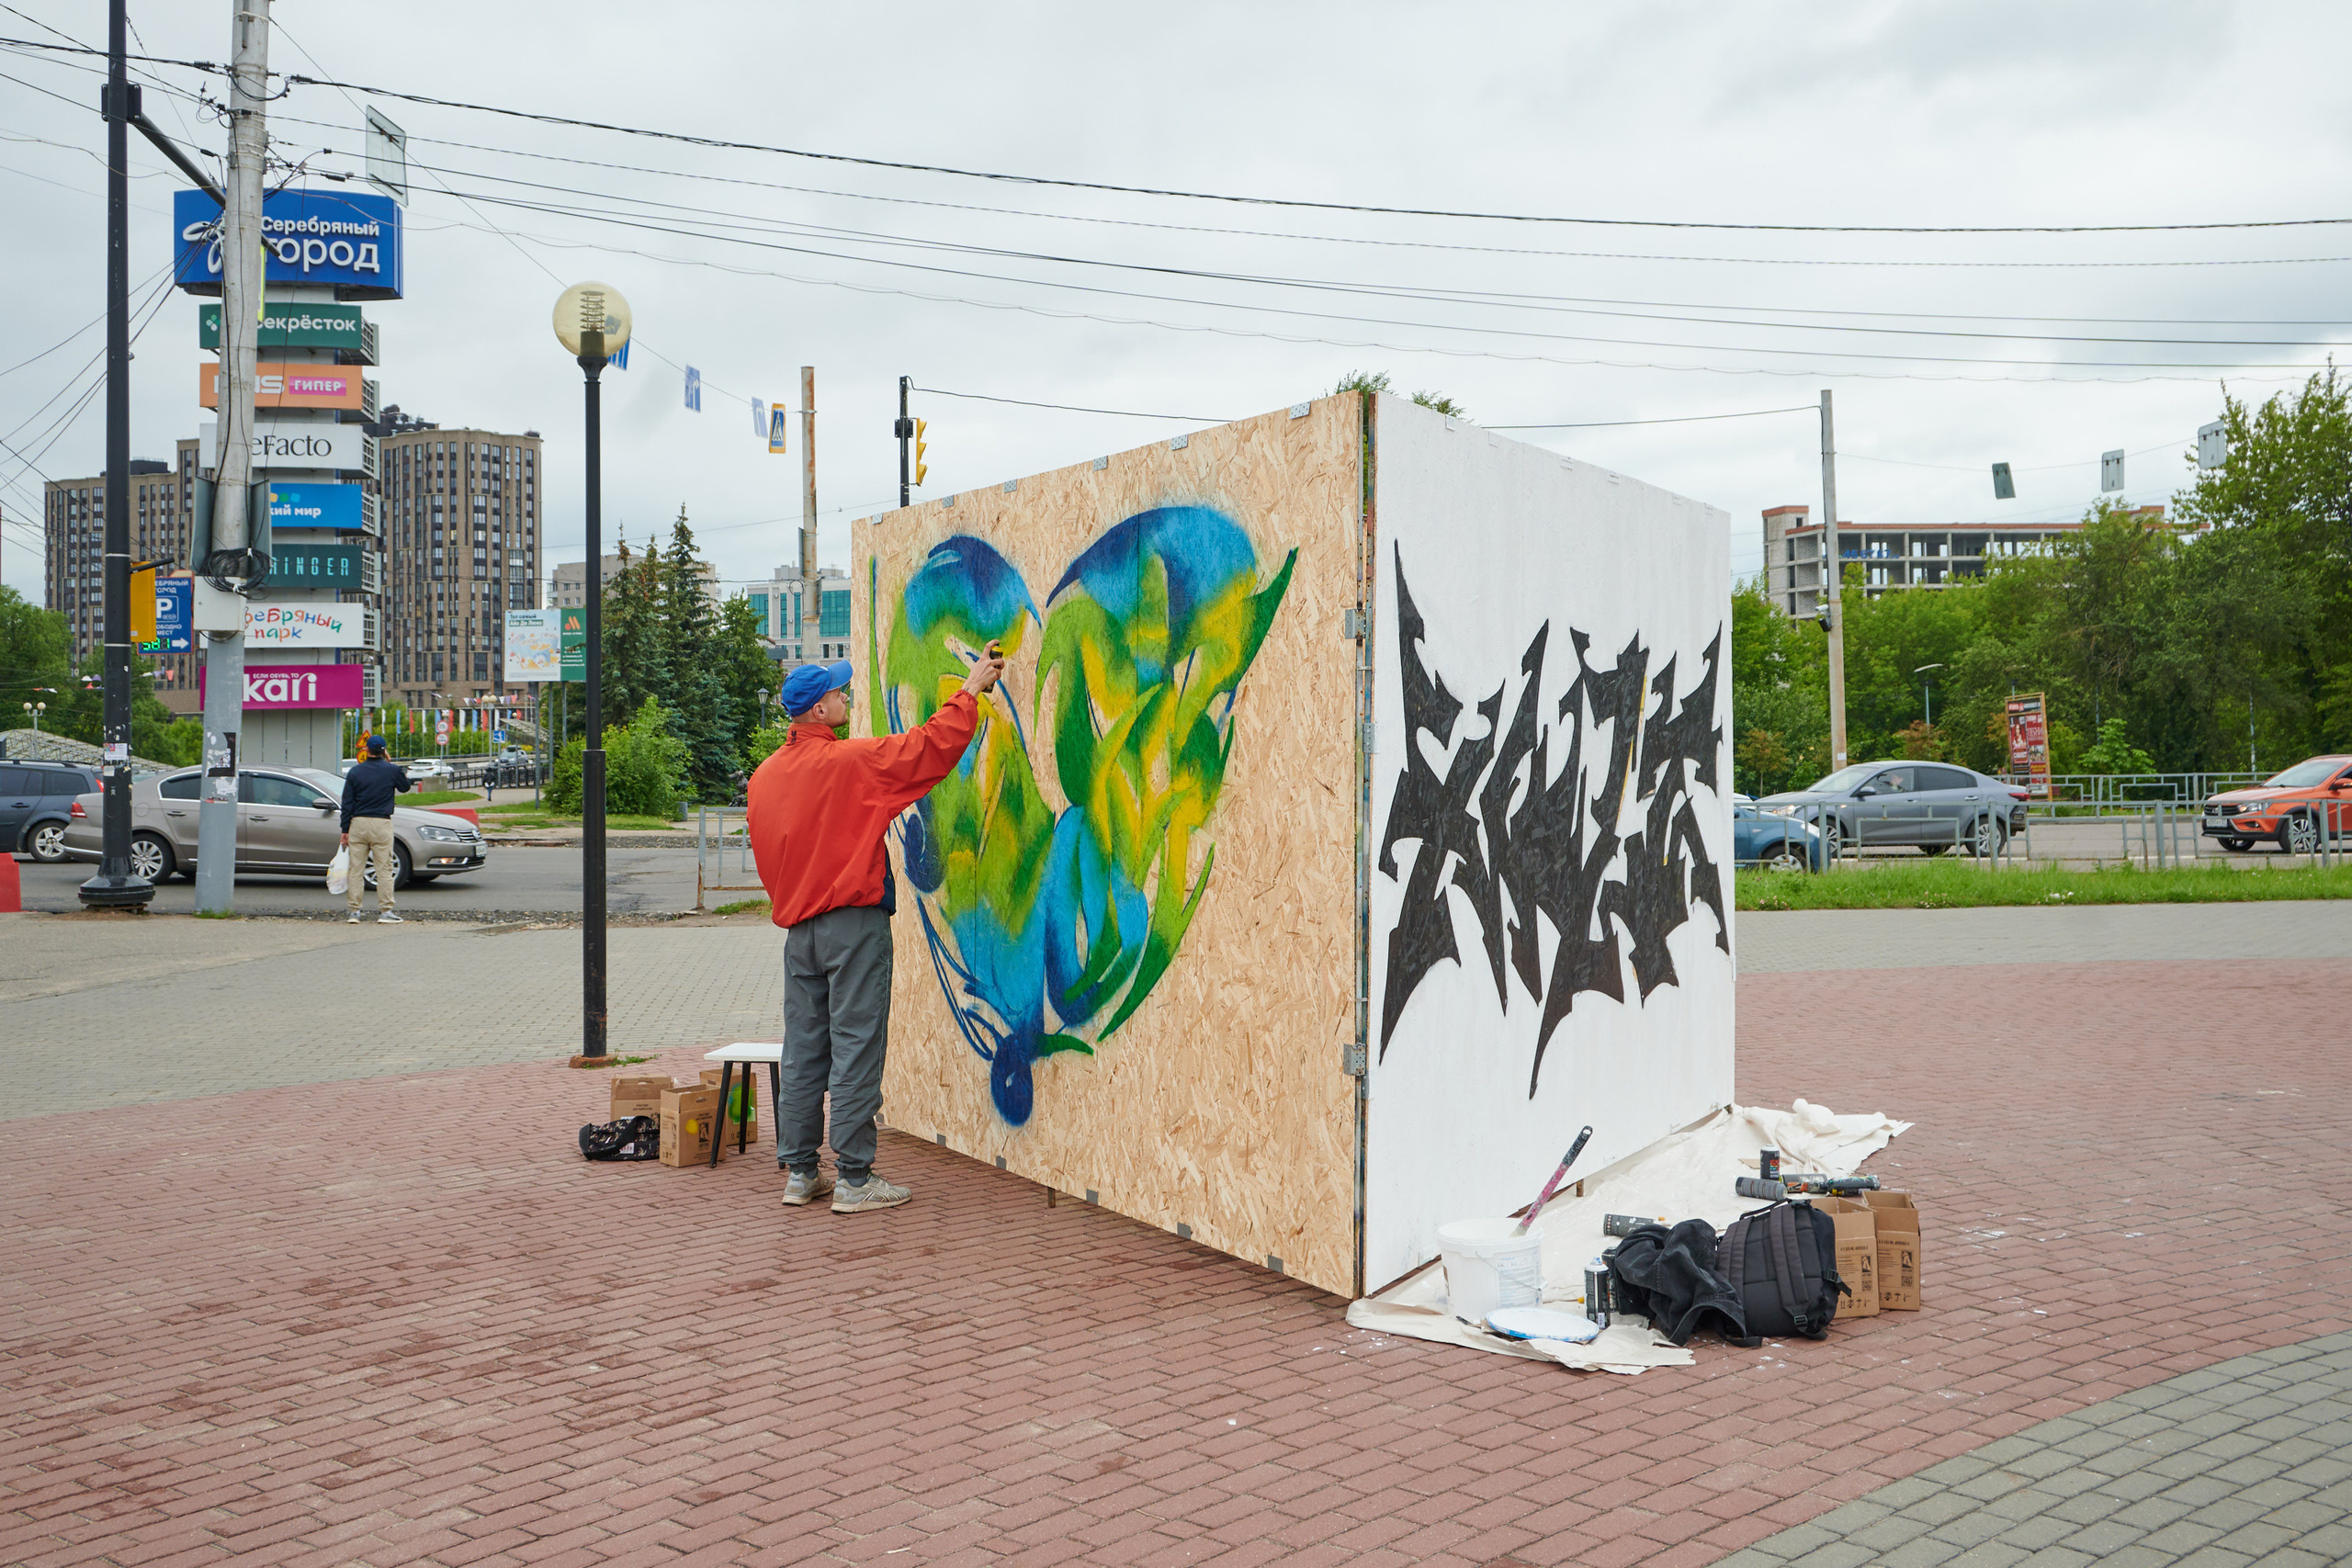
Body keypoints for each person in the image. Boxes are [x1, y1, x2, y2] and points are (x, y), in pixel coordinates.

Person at [747, 646, 1005, 1213]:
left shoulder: (764, 778)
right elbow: (924, 750)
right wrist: (971, 690)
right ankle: (855, 1180)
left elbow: (769, 858)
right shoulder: (848, 763)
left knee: (805, 1050)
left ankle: (800, 1173)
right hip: (852, 924)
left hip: (799, 933)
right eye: (838, 692)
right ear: (817, 710)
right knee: (857, 1045)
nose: (845, 696)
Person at [339, 734, 413, 924]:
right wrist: (391, 763)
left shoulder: (355, 772)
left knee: (356, 868)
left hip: (359, 822)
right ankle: (386, 911)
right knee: (384, 868)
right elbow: (405, 787)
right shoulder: (392, 770)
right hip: (381, 823)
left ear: (366, 750)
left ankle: (354, 912)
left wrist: (345, 829)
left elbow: (347, 802)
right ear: (384, 751)